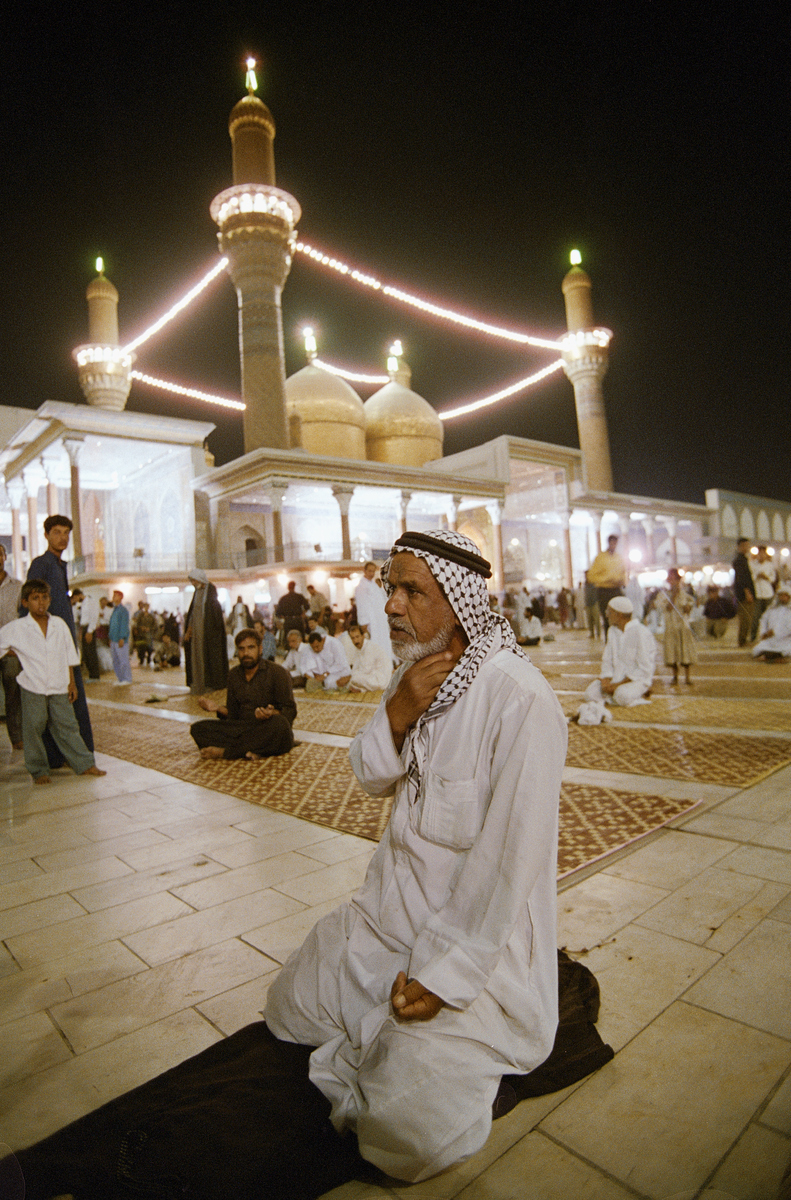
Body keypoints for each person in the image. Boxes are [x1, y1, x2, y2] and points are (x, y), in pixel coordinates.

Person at [266, 529, 567, 1183]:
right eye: (389, 589)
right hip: (384, 922)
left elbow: (507, 862)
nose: (392, 606)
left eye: (411, 590)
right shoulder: (413, 676)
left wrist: (443, 974)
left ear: (459, 602)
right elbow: (371, 775)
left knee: (405, 1136)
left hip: (471, 950)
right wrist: (397, 713)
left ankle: (426, 1045)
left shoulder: (518, 699)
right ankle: (379, 1034)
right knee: (287, 1005)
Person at [0, 579, 106, 784]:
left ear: (50, 600)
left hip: (59, 684)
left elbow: (69, 654)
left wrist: (72, 683)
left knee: (67, 725)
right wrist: (15, 653)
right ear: (25, 602)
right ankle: (39, 770)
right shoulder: (18, 627)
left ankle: (85, 764)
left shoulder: (59, 624)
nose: (41, 602)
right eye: (35, 598)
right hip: (33, 685)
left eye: (44, 597)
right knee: (33, 727)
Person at [27, 514, 94, 757]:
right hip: (49, 643)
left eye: (66, 533)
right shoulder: (41, 564)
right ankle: (55, 756)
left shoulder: (58, 565)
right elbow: (30, 605)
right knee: (53, 699)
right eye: (57, 532)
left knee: (69, 695)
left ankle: (75, 752)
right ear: (46, 535)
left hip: (64, 641)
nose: (62, 537)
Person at [190, 629, 296, 760]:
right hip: (242, 729)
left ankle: (226, 753)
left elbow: (290, 711)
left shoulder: (278, 672)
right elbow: (233, 716)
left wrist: (270, 714)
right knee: (198, 729)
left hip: (267, 727)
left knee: (280, 725)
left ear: (260, 649)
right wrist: (217, 708)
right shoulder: (234, 674)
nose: (246, 653)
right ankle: (253, 750)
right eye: (241, 649)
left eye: (251, 648)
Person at [583, 595, 656, 707]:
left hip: (635, 680)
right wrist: (605, 680)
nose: (606, 615)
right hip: (615, 679)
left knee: (622, 696)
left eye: (609, 612)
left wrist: (617, 685)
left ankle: (643, 690)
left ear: (619, 614)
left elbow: (644, 668)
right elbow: (607, 659)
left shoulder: (641, 632)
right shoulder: (612, 631)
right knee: (590, 694)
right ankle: (617, 693)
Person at [184, 568, 229, 695]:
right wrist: (189, 629)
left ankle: (210, 684)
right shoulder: (197, 592)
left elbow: (214, 615)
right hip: (197, 633)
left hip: (209, 634)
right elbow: (193, 613)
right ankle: (197, 684)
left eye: (194, 580)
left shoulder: (210, 591)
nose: (193, 582)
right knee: (196, 657)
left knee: (209, 658)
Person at [0, 543, 23, 748]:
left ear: (4, 557)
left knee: (13, 694)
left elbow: (24, 619)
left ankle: (17, 738)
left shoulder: (17, 586)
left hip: (10, 651)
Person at [657, 569, 696, 685]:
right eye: (671, 578)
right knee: (672, 652)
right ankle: (675, 677)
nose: (673, 581)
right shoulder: (663, 595)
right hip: (671, 626)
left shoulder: (684, 594)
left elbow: (689, 606)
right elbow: (668, 608)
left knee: (685, 652)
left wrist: (688, 607)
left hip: (683, 626)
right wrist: (673, 595)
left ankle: (687, 677)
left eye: (675, 579)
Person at [587, 535, 626, 633]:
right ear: (609, 543)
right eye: (612, 543)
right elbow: (591, 577)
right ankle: (609, 642)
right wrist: (608, 579)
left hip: (616, 590)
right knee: (608, 618)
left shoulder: (619, 558)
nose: (613, 545)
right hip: (604, 591)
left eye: (615, 543)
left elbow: (623, 573)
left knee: (619, 618)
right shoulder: (600, 557)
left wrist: (620, 580)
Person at [355, 561, 391, 654]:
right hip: (371, 622)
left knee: (384, 643)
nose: (371, 574)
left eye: (373, 571)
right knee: (375, 645)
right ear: (365, 571)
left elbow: (382, 599)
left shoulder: (374, 584)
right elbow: (361, 605)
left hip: (380, 620)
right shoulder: (361, 587)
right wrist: (364, 622)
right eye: (370, 571)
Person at [345, 623, 393, 692]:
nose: (355, 641)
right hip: (371, 676)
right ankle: (361, 689)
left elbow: (365, 670)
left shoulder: (369, 647)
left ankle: (361, 689)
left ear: (363, 636)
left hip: (381, 680)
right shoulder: (359, 649)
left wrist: (349, 678)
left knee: (354, 678)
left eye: (357, 637)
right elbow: (355, 668)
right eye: (353, 638)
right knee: (352, 679)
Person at [752, 583, 791, 660]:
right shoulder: (771, 609)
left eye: (785, 596)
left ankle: (771, 656)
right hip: (770, 639)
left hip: (785, 639)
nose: (782, 598)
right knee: (757, 649)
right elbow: (763, 621)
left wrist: (775, 632)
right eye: (781, 595)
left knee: (787, 649)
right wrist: (764, 633)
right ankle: (773, 655)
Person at [71, 588, 101, 682]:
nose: (75, 600)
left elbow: (94, 617)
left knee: (91, 652)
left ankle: (95, 676)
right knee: (86, 653)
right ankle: (91, 675)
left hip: (89, 628)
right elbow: (80, 619)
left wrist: (90, 631)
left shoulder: (91, 602)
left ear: (79, 595)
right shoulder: (82, 604)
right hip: (84, 628)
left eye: (76, 598)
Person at [732, 538, 755, 647]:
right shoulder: (739, 561)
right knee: (745, 618)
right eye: (745, 545)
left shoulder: (744, 560)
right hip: (743, 594)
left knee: (748, 618)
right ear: (740, 546)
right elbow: (741, 579)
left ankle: (743, 640)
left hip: (745, 593)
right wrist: (747, 592)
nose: (747, 548)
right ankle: (742, 641)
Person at [751, 547, 777, 641]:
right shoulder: (753, 565)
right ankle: (753, 637)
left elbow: (773, 578)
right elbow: (751, 577)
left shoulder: (770, 565)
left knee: (769, 616)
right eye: (759, 553)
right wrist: (757, 576)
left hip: (768, 593)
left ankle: (769, 636)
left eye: (763, 553)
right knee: (756, 616)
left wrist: (766, 577)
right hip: (757, 594)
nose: (761, 556)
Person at [108, 591, 132, 685]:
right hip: (113, 639)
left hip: (120, 640)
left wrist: (122, 637)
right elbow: (112, 625)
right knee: (116, 660)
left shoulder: (123, 610)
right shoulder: (114, 610)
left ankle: (127, 678)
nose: (113, 597)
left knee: (123, 660)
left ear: (121, 597)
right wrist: (110, 637)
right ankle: (120, 678)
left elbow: (124, 625)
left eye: (115, 596)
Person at [583, 570, 601, 639]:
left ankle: (598, 634)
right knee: (589, 620)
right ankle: (592, 633)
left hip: (594, 603)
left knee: (596, 619)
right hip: (588, 604)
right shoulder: (585, 584)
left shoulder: (594, 583)